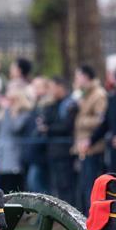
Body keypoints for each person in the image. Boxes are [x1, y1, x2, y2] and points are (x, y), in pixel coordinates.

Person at [73, 65, 107, 212]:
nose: (76, 80)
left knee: (91, 187)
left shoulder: (98, 94)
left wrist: (82, 121)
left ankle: (92, 217)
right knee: (84, 185)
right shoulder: (86, 94)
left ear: (86, 77)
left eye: (78, 76)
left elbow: (101, 120)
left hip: (93, 147)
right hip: (83, 147)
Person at [42, 76, 77, 206]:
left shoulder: (69, 104)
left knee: (66, 184)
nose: (50, 91)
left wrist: (49, 128)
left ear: (60, 87)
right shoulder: (53, 105)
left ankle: (69, 214)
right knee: (56, 184)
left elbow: (67, 125)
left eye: (52, 87)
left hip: (64, 151)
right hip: (53, 151)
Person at [0, 87, 32, 192]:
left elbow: (15, 128)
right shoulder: (5, 112)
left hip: (13, 158)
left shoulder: (23, 113)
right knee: (1, 187)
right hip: (1, 156)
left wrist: (7, 111)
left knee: (13, 187)